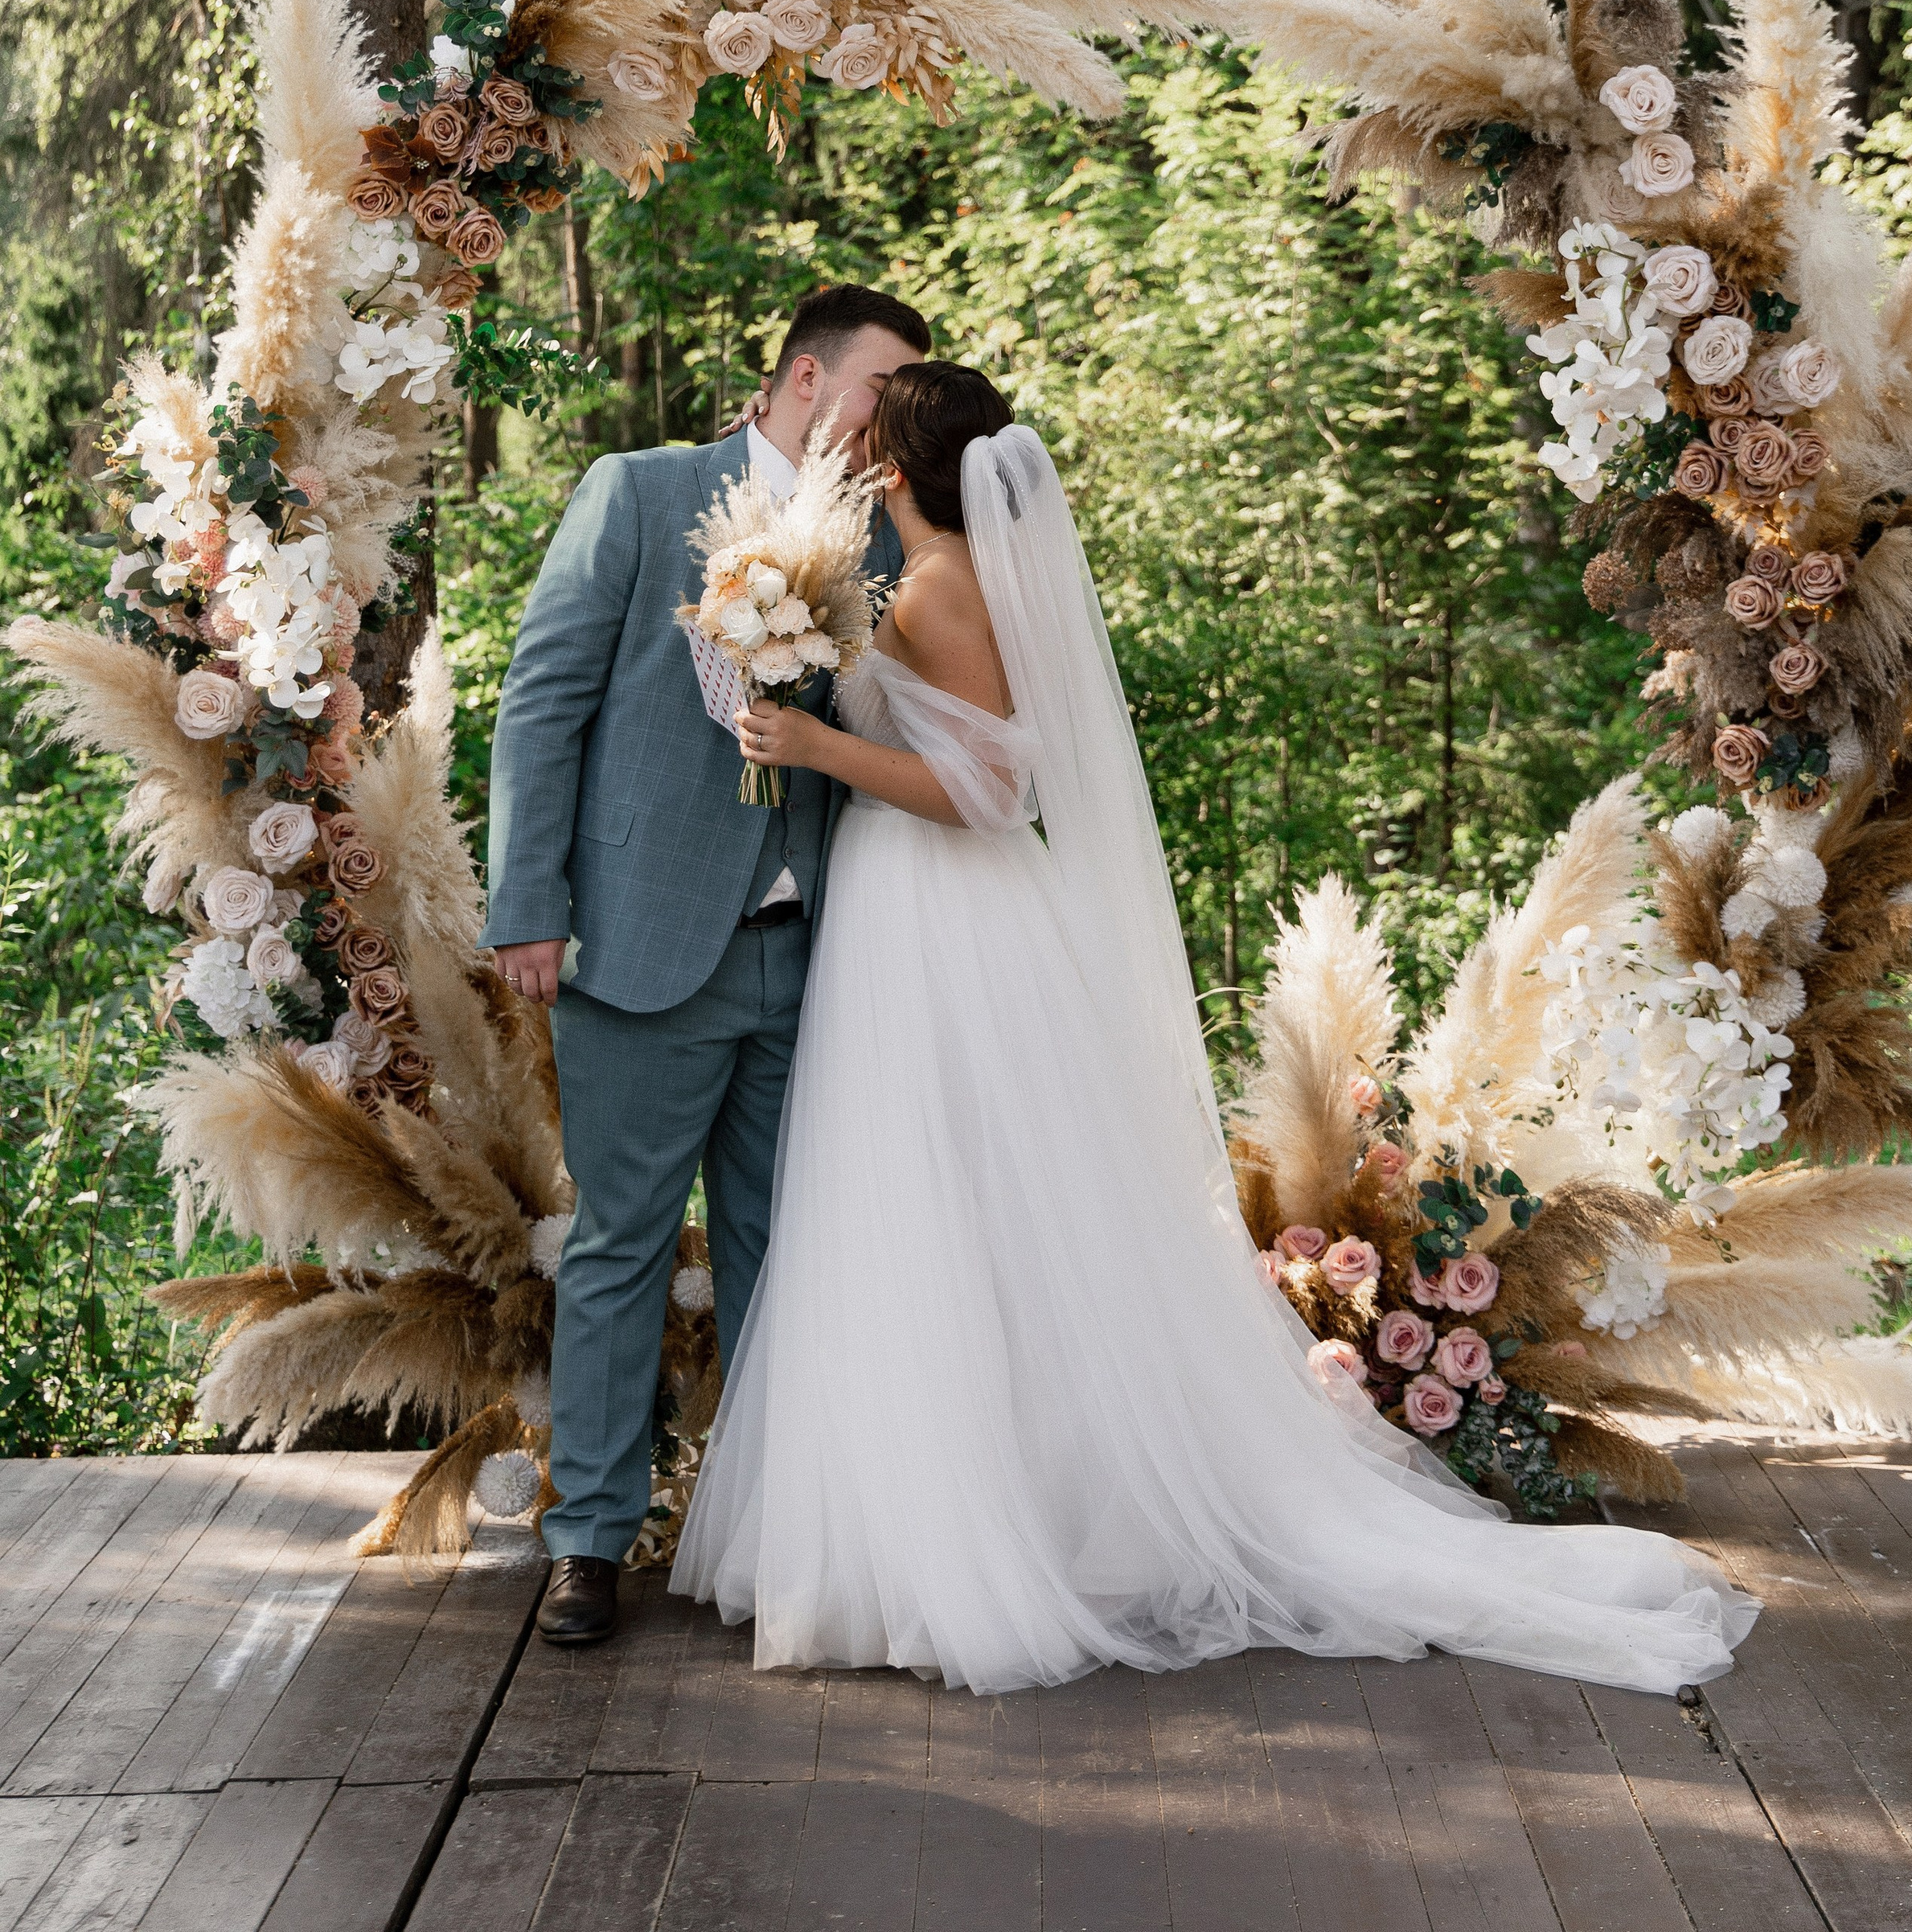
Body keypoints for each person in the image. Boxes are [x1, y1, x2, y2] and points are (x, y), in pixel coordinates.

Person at [673, 366, 1758, 1698]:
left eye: (874, 431)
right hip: (910, 918)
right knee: (942, 1209)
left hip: (947, 915)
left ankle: (967, 1543)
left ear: (894, 472)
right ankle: (959, 1514)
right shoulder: (924, 582)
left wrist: (819, 747)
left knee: (943, 1202)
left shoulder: (947, 585)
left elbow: (997, 791)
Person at [484, 282, 927, 1647]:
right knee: (619, 1249)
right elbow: (542, 701)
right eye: (880, 392)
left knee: (786, 1255)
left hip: (818, 962)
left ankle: (776, 1539)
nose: (894, 421)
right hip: (637, 948)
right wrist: (528, 906)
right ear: (804, 381)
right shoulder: (640, 493)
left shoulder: (897, 548)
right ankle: (591, 1543)